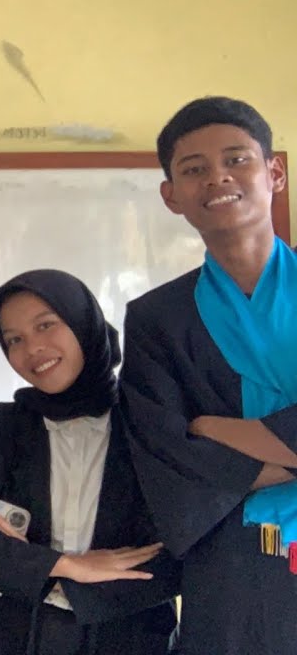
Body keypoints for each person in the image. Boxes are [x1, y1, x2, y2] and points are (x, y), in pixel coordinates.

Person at [121, 95, 297, 653]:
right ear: (172, 196)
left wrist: (217, 429)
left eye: (236, 159)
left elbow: (198, 446)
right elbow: (169, 459)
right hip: (231, 566)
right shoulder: (156, 319)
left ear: (275, 172)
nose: (217, 177)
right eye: (194, 169)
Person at [0, 269, 178, 654]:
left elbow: (174, 546)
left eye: (46, 325)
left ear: (82, 322)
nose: (32, 348)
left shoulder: (147, 422)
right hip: (13, 636)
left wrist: (28, 567)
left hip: (128, 636)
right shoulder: (4, 426)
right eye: (14, 339)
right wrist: (66, 566)